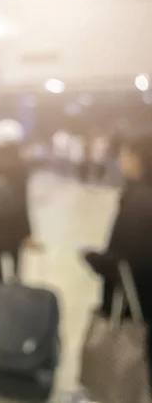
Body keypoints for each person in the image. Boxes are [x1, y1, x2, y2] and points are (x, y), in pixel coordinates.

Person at [83, 132, 152, 384]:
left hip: (134, 302)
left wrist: (92, 258)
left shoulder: (138, 201)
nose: (121, 159)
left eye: (125, 154)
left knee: (131, 364)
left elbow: (123, 260)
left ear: (139, 159)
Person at [0, 119, 38, 285]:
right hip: (14, 226)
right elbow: (23, 201)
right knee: (16, 270)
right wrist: (28, 232)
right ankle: (15, 300)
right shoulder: (21, 165)